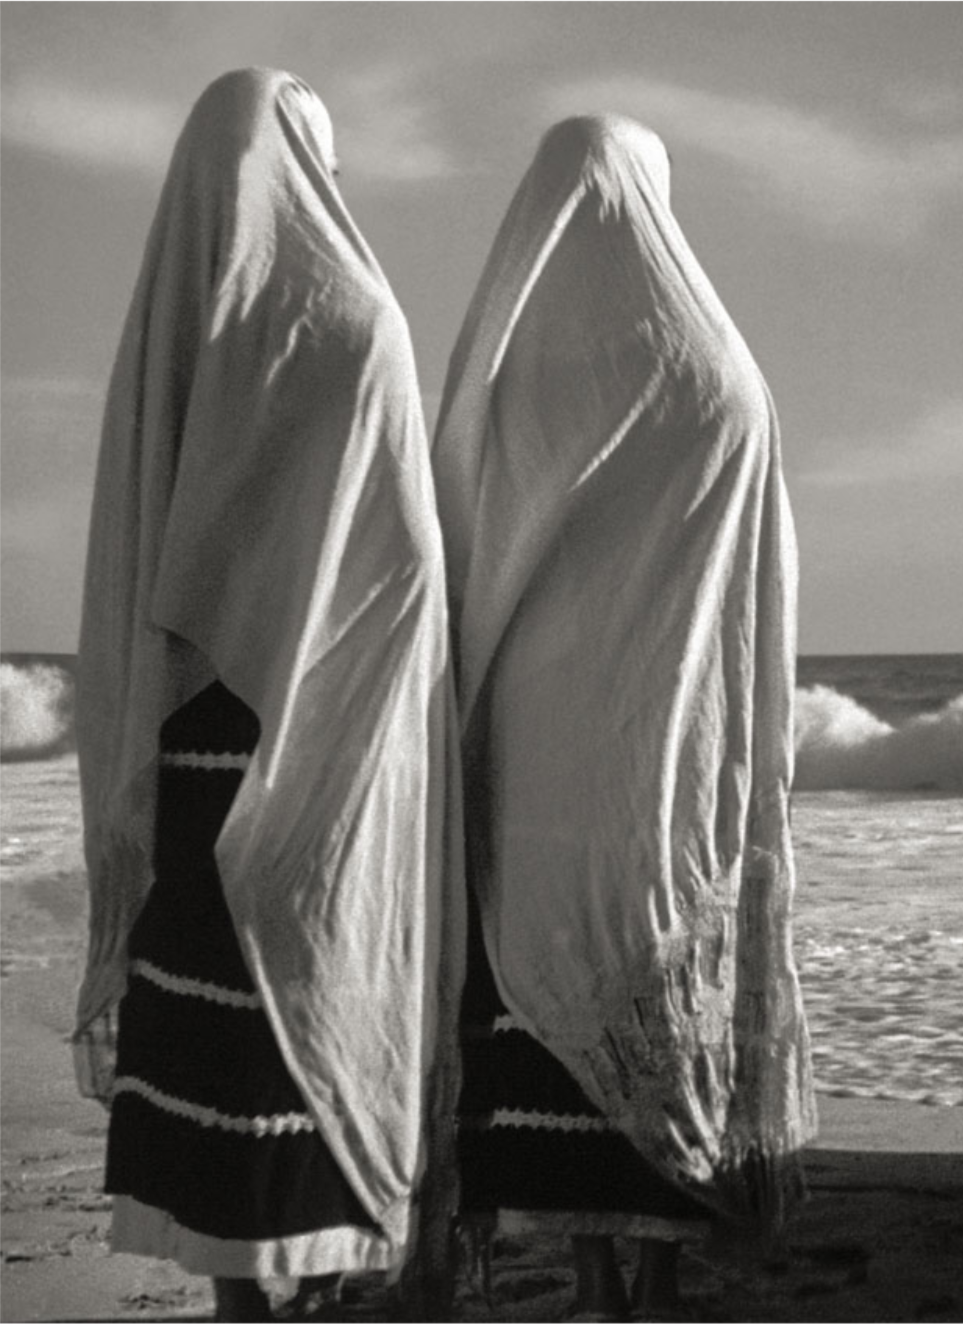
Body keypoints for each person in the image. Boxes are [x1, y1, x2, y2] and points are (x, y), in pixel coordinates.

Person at [71, 68, 456, 1322]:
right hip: (329, 737)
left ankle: (242, 1301)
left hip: (191, 741)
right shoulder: (359, 317)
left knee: (229, 1024)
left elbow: (140, 550)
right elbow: (400, 568)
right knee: (321, 986)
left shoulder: (174, 314)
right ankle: (319, 1260)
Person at [431, 114, 813, 1321]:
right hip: (670, 749)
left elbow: (454, 539)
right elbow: (758, 585)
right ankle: (650, 1268)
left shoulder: (502, 363)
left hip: (536, 753)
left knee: (543, 978)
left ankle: (591, 1274)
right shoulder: (720, 373)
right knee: (659, 977)